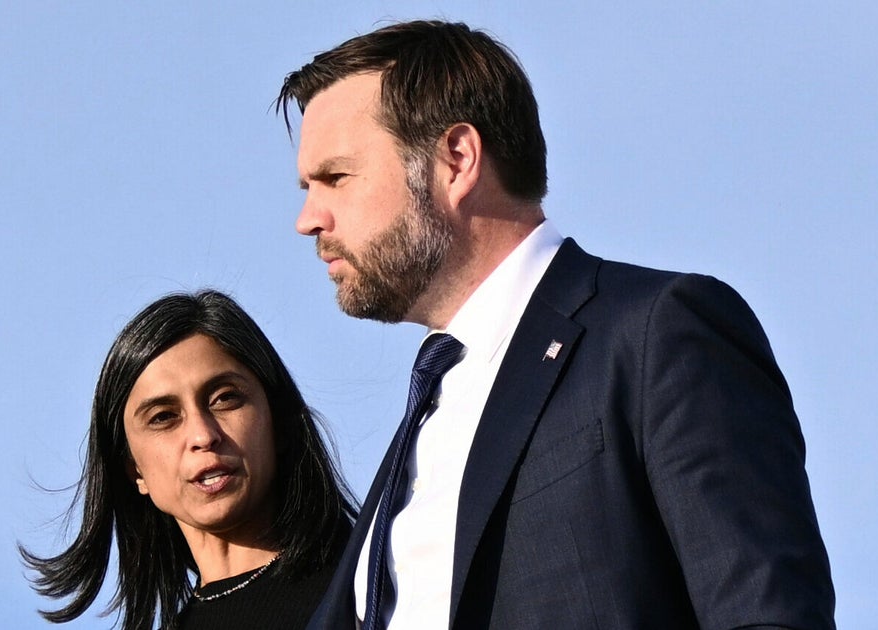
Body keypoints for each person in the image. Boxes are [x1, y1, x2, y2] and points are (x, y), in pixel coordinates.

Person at [276, 20, 836, 629]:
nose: (308, 219)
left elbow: (764, 611)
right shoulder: (425, 414)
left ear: (456, 160)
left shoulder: (655, 334)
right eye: (308, 187)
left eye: (336, 177)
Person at [20, 290, 357, 630]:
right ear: (135, 470)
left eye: (224, 398)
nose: (203, 435)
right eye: (163, 417)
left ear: (278, 421)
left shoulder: (371, 586)